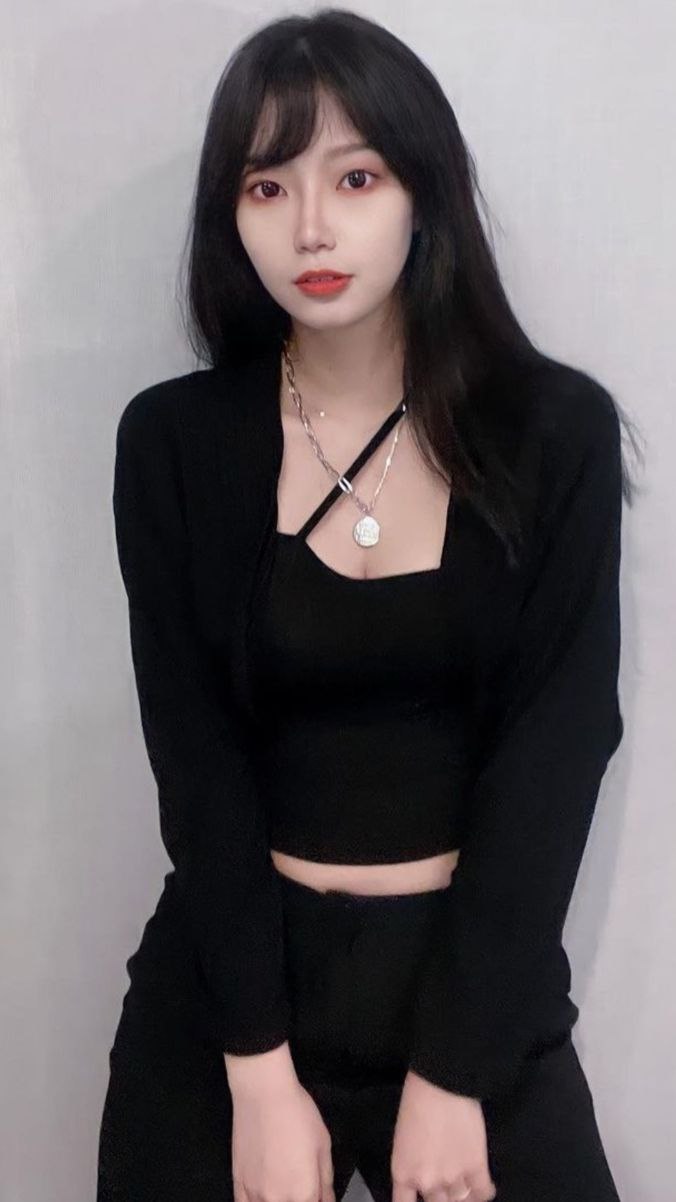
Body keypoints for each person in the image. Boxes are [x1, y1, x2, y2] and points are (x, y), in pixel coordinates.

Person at [97, 9, 639, 1201]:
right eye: (266, 185)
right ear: (229, 214)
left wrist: (451, 1071)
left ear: (421, 191)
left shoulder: (552, 433)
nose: (310, 227)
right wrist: (257, 1073)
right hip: (236, 980)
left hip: (470, 976)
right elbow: (194, 755)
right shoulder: (176, 442)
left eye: (354, 176)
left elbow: (557, 749)